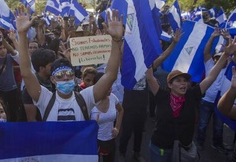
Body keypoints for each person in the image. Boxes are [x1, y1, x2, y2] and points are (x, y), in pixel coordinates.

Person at [17, 6, 123, 121]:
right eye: (59, 75)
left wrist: (116, 41)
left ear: (74, 76)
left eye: (69, 73)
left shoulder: (85, 98)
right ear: (53, 79)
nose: (65, 77)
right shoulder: (44, 99)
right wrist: (22, 34)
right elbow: (27, 73)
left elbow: (110, 75)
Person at [146, 37, 236, 161]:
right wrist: (148, 51)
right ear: (170, 85)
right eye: (178, 81)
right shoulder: (161, 96)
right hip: (160, 148)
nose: (183, 84)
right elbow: (149, 76)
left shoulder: (192, 95)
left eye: (185, 81)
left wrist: (225, 54)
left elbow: (210, 77)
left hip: (184, 150)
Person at [118, 29, 183, 161]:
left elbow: (163, 56)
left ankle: (136, 153)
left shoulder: (148, 66)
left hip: (142, 105)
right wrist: (128, 35)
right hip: (128, 106)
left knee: (139, 132)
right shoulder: (126, 67)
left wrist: (174, 43)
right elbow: (121, 53)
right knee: (126, 132)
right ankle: (122, 153)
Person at [196, 28, 231, 152]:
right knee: (203, 125)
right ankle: (199, 143)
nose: (219, 59)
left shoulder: (229, 70)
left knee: (219, 127)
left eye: (222, 58)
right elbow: (206, 52)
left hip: (220, 103)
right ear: (214, 58)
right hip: (206, 101)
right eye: (217, 57)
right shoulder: (210, 65)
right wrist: (212, 37)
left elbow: (231, 52)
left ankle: (217, 144)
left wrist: (228, 39)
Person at [91, 72, 124, 162]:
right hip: (94, 141)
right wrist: (92, 125)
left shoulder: (113, 98)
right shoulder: (90, 101)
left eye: (111, 85)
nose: (110, 89)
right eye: (107, 87)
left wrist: (117, 127)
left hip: (110, 140)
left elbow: (121, 110)